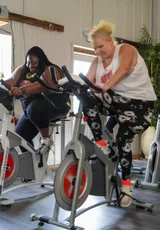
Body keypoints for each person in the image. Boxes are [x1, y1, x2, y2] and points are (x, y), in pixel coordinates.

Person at [60, 20, 156, 207]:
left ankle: (126, 186)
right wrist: (72, 86)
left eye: (100, 47)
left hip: (140, 106)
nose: (97, 52)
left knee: (123, 137)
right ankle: (101, 144)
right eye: (95, 49)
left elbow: (125, 68)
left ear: (110, 41)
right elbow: (87, 82)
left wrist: (105, 86)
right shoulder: (97, 61)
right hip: (115, 101)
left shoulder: (126, 50)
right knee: (85, 98)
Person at [6, 46, 71, 154]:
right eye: (29, 63)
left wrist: (22, 90)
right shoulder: (23, 70)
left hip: (57, 105)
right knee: (19, 140)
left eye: (34, 63)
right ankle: (33, 165)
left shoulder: (50, 69)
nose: (31, 65)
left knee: (34, 108)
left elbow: (42, 85)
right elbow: (11, 80)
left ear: (41, 61)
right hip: (32, 110)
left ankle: (46, 139)